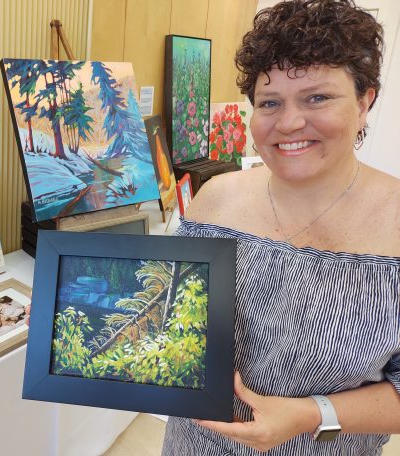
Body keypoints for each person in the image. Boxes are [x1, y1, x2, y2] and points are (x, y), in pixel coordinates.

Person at [162, 0, 400, 454]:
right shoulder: (216, 201)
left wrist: (313, 415)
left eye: (317, 97)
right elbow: (170, 316)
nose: (289, 123)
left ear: (365, 101)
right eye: (270, 102)